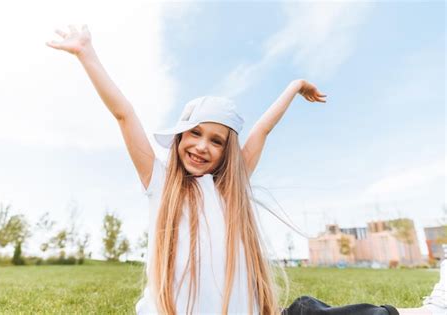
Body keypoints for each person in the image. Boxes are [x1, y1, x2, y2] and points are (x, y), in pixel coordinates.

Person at [47, 25, 446, 315]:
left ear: (226, 152)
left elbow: (262, 129)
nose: (202, 146)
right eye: (195, 133)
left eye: (217, 140)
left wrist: (292, 86)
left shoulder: (227, 190)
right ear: (181, 136)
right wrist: (87, 54)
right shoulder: (159, 183)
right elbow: (124, 113)